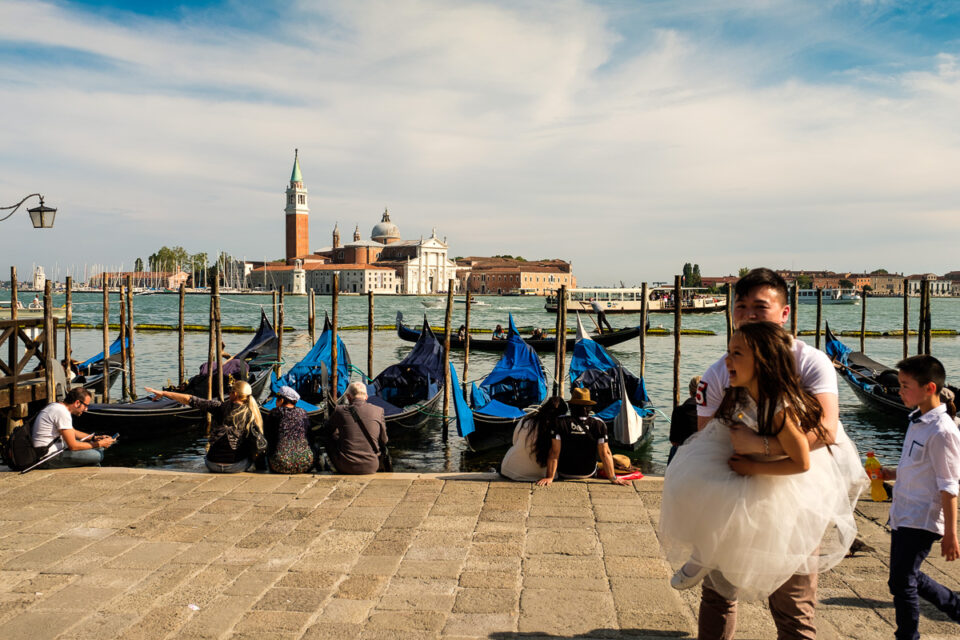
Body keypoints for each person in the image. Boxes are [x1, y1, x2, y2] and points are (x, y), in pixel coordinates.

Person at [690, 267, 866, 640]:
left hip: (796, 492)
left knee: (793, 603)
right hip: (734, 488)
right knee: (719, 592)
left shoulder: (810, 361)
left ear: (784, 313)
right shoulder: (721, 369)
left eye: (760, 307)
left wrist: (761, 448)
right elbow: (706, 437)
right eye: (741, 307)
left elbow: (826, 429)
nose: (748, 315)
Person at [660, 322, 860, 604]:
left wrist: (753, 466)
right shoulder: (740, 392)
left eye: (737, 354)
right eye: (728, 352)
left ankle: (706, 555)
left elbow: (802, 462)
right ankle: (704, 551)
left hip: (773, 475)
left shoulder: (779, 407)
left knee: (732, 510)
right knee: (694, 484)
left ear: (762, 362)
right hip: (745, 460)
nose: (727, 360)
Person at [880, 355, 960, 640]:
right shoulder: (917, 420)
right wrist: (889, 473)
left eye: (905, 386)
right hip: (903, 512)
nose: (899, 391)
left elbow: (949, 486)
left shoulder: (942, 431)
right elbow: (918, 468)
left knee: (902, 582)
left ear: (929, 388)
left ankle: (907, 636)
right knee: (904, 577)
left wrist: (951, 533)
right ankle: (956, 606)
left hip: (922, 517)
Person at [145, 380, 264, 473]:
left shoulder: (218, 407)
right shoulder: (250, 413)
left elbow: (190, 399)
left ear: (235, 394)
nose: (229, 393)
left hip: (212, 464)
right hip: (236, 466)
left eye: (230, 390)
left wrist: (164, 393)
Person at [536, 388, 630, 486]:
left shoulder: (559, 422)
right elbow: (605, 453)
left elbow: (554, 452)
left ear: (571, 406)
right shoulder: (599, 424)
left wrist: (549, 477)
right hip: (588, 472)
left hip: (564, 472)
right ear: (589, 408)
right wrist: (613, 478)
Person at [31, 387, 115, 468]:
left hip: (48, 451)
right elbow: (73, 446)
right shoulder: (62, 412)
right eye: (85, 406)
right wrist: (99, 444)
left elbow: (72, 431)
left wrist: (93, 438)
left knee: (98, 450)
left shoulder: (56, 406)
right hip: (47, 457)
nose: (86, 409)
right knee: (98, 455)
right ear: (77, 403)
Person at [321, 381, 387, 474]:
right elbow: (384, 440)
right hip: (371, 466)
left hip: (345, 466)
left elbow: (327, 431)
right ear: (366, 397)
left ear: (348, 397)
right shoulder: (379, 411)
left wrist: (338, 435)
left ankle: (328, 465)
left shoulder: (339, 410)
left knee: (328, 437)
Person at [500, 397, 568, 481]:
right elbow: (556, 454)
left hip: (510, 470)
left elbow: (515, 441)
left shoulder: (525, 420)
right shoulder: (558, 429)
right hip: (541, 474)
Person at [263, 386, 313, 474]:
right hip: (305, 465)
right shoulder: (303, 413)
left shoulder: (274, 413)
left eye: (277, 399)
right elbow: (309, 436)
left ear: (282, 400)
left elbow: (268, 436)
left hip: (279, 464)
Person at [668, 376, 700, 464]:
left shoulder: (678, 410)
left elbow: (673, 441)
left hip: (684, 454)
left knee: (674, 449)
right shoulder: (711, 412)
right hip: (703, 452)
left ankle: (671, 472)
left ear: (690, 391)